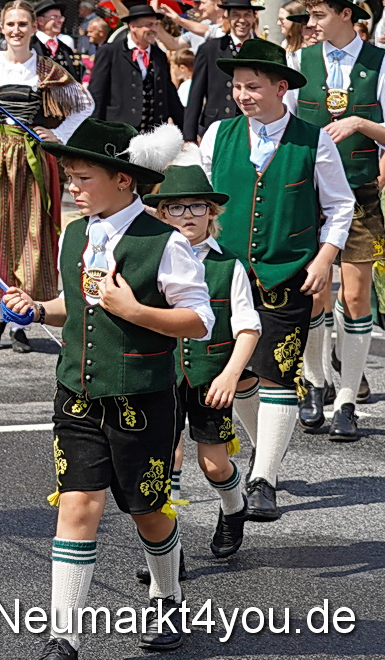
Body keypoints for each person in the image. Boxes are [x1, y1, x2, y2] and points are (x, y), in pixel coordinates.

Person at [2, 119, 213, 660]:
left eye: (82, 177)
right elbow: (76, 305)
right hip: (75, 391)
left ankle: (167, 596)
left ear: (124, 180)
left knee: (147, 509)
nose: (72, 186)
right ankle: (64, 636)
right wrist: (37, 309)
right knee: (77, 505)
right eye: (69, 176)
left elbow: (198, 320)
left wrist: (137, 311)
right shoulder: (76, 233)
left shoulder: (163, 241)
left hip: (140, 397)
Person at [197, 39, 351, 520]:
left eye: (253, 86)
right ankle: (269, 449)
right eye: (237, 86)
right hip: (225, 276)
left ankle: (263, 479)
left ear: (281, 88)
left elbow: (340, 205)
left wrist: (325, 258)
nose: (242, 94)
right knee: (238, 375)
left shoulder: (313, 139)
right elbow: (198, 202)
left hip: (287, 274)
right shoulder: (217, 134)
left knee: (276, 374)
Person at [0, 0, 94, 348]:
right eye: (10, 24)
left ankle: (20, 323)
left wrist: (57, 135)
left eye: (22, 24)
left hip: (29, 160)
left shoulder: (47, 70)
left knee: (29, 240)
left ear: (33, 28)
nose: (16, 30)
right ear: (1, 27)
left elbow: (84, 105)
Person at [140, 159, 259, 564]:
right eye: (176, 207)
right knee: (163, 457)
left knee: (213, 464)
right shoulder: (151, 258)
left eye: (196, 206)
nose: (187, 215)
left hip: (212, 377)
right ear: (161, 213)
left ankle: (233, 506)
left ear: (212, 212)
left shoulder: (229, 265)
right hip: (160, 374)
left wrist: (230, 375)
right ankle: (166, 551)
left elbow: (248, 328)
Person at [288, 0, 381, 441]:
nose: (313, 23)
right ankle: (315, 382)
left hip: (362, 193)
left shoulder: (380, 64)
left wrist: (363, 125)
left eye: (322, 15)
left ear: (348, 14)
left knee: (356, 295)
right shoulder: (298, 61)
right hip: (311, 195)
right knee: (314, 293)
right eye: (311, 14)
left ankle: (347, 398)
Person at [87, 2, 184, 133]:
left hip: (153, 133)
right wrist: (92, 130)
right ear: (133, 26)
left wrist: (187, 131)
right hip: (119, 132)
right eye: (149, 25)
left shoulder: (159, 55)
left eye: (156, 25)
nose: (154, 30)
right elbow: (97, 94)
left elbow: (169, 94)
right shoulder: (110, 52)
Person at [180, 0, 261, 139]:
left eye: (247, 15)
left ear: (254, 17)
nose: (242, 20)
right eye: (236, 15)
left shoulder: (264, 49)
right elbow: (196, 94)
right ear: (228, 18)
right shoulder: (210, 49)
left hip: (256, 126)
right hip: (217, 125)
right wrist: (189, 137)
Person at [33, 0, 84, 80]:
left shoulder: (66, 49)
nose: (60, 21)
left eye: (61, 17)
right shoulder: (29, 46)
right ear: (40, 21)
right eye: (55, 17)